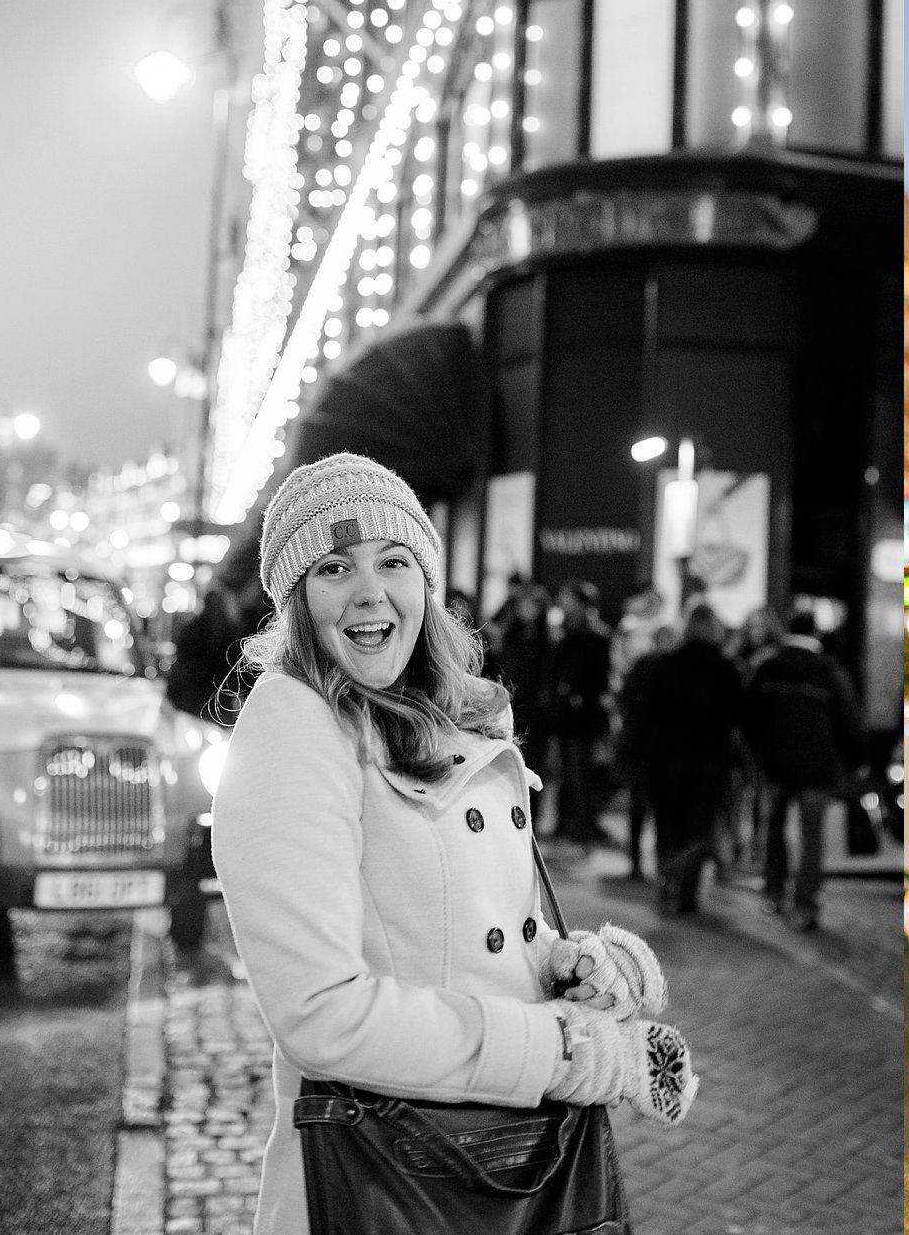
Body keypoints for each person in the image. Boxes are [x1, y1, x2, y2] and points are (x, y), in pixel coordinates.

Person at [208, 452, 695, 1235]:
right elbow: (321, 1014)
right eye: (334, 568)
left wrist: (571, 970)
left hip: (508, 1160)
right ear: (296, 600)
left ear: (425, 583)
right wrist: (561, 1049)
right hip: (394, 1176)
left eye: (393, 561)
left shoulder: (451, 713)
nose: (371, 591)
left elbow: (459, 934)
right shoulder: (293, 726)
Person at [742, 609, 863, 931]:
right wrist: (854, 764)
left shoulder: (767, 668)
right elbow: (849, 724)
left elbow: (748, 717)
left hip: (776, 766)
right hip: (817, 767)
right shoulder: (830, 672)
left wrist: (761, 754)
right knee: (812, 837)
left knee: (775, 827)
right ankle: (805, 903)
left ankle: (774, 891)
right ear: (815, 634)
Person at [634, 602, 743, 914]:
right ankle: (688, 892)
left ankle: (666, 879)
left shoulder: (667, 665)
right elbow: (736, 717)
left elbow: (649, 711)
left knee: (668, 823)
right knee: (699, 828)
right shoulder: (726, 669)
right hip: (709, 762)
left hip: (667, 758)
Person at [550, 581, 614, 850]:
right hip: (569, 716)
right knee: (569, 773)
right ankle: (572, 826)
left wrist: (577, 695)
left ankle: (581, 827)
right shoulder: (567, 632)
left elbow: (599, 678)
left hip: (583, 718)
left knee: (580, 774)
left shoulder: (595, 636)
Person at [493, 580, 560, 832]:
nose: (528, 609)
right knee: (508, 766)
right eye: (523, 603)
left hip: (538, 713)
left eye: (533, 604)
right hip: (511, 708)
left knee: (535, 768)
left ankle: (531, 822)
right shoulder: (509, 636)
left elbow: (551, 677)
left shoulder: (549, 640)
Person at [616, 621, 680, 880]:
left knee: (641, 807)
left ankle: (638, 862)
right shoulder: (674, 668)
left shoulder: (644, 666)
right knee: (660, 809)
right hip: (661, 749)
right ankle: (660, 864)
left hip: (643, 746)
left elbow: (626, 699)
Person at [164, 582, 250, 724]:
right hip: (216, 708)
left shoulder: (191, 631)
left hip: (187, 704)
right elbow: (235, 677)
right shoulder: (230, 637)